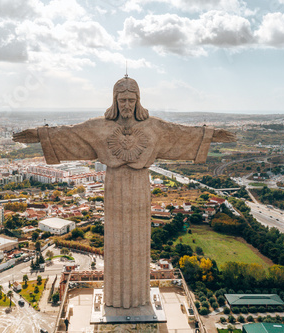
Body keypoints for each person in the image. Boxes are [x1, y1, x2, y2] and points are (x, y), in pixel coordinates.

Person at [13, 77, 236, 308]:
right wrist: (41, 135)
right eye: (123, 100)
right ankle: (115, 300)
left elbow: (181, 134)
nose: (127, 105)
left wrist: (211, 134)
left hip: (140, 189)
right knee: (115, 238)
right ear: (115, 100)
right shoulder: (100, 126)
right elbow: (70, 134)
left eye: (131, 99)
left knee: (139, 238)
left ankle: (140, 300)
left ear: (138, 100)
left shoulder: (153, 126)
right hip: (114, 188)